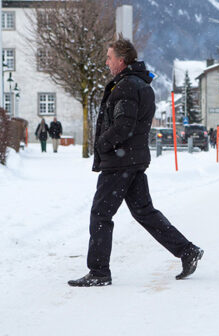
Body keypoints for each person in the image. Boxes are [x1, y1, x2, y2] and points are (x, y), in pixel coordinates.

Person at [68, 37, 203, 287]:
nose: (106, 62)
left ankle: (98, 272)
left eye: (109, 58)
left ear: (121, 60)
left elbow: (123, 126)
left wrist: (102, 144)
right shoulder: (139, 83)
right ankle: (187, 251)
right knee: (144, 212)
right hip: (132, 160)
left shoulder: (127, 87)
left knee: (100, 214)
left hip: (120, 162)